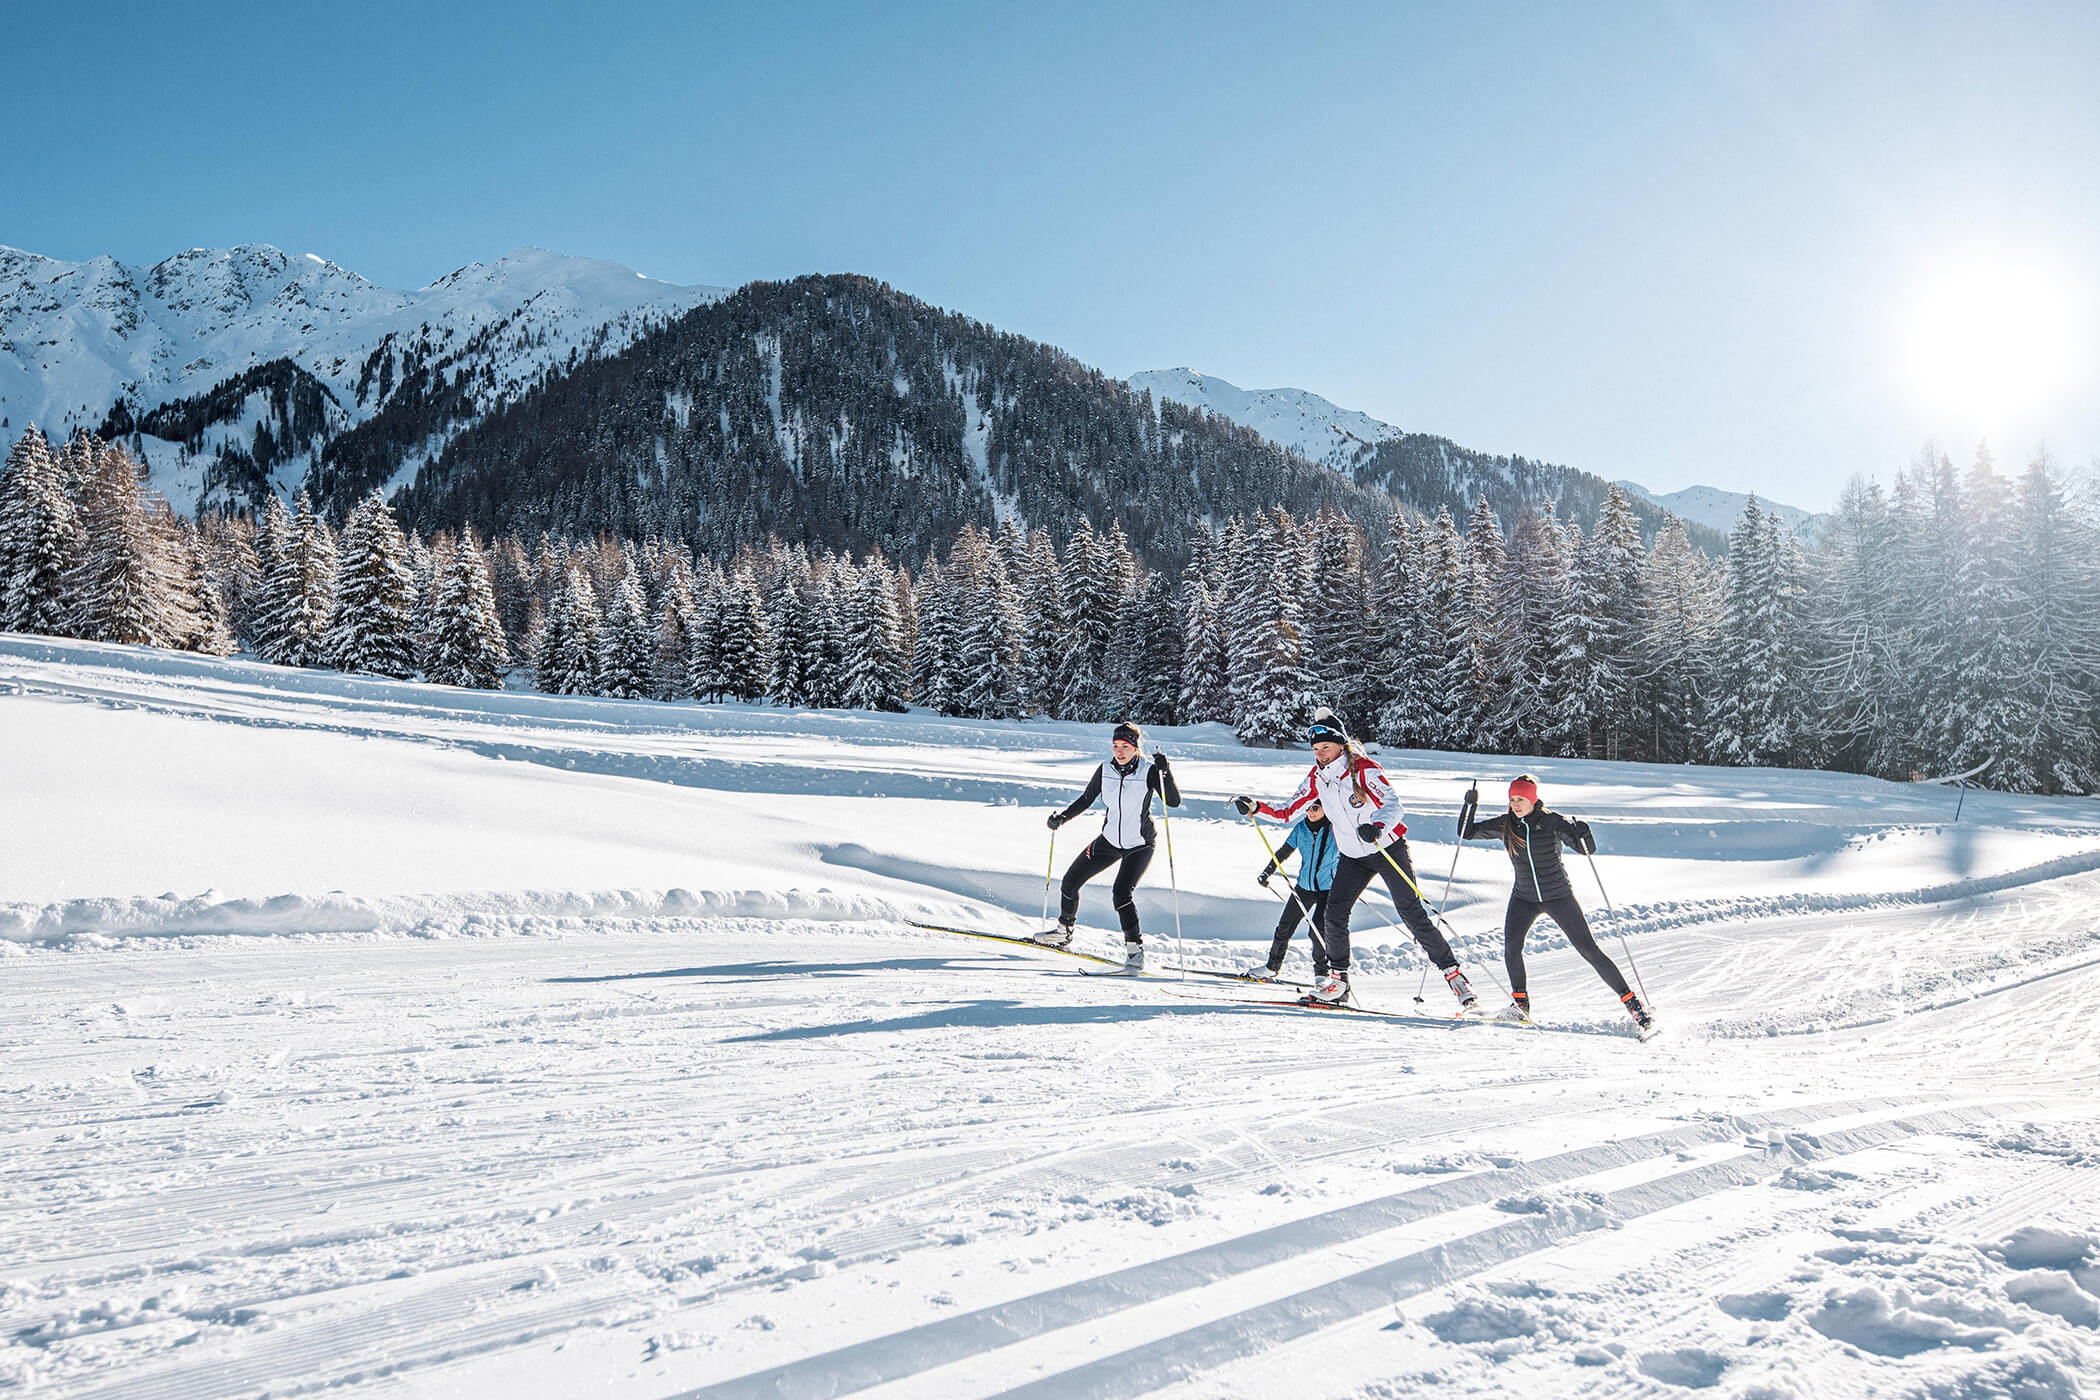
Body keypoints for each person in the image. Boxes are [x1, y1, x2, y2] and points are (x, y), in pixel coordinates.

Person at [1233, 707, 1480, 1009]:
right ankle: (1338, 982)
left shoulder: (1363, 768)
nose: (1320, 754)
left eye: (1325, 747)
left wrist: (1376, 826)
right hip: (1352, 855)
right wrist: (1256, 807)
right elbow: (1287, 809)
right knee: (1333, 914)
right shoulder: (1317, 777)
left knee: (1410, 912)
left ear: (1340, 745)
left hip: (1385, 847)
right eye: (1315, 749)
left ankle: (1453, 974)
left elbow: (1394, 805)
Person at [1461, 774, 1652, 1031]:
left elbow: (1585, 849)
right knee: (1511, 947)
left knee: (1589, 950)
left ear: (1533, 798)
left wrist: (1585, 833)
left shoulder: (1552, 822)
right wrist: (1469, 805)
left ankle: (1635, 1008)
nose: (1515, 805)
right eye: (1512, 800)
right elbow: (1466, 832)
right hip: (1524, 897)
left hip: (1558, 896)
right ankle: (1520, 1007)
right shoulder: (1507, 824)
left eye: (1521, 799)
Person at [1041, 722, 1182, 968]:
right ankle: (1063, 932)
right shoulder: (1105, 769)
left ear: (1136, 748)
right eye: (1115, 746)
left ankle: (1134, 951)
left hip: (1139, 843)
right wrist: (1062, 818)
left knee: (1121, 893)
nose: (1119, 751)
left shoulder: (1148, 771)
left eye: (1125, 746)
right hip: (1109, 840)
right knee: (1070, 881)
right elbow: (1086, 799)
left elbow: (1174, 802)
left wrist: (1165, 772)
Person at [1245, 797, 1338, 982]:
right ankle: (1272, 967)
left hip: (1327, 889)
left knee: (1317, 931)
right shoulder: (1301, 828)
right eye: (1308, 808)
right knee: (1284, 927)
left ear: (1325, 808)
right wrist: (1267, 872)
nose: (1311, 812)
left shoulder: (1336, 830)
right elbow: (1284, 851)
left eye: (1315, 807)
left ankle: (1321, 975)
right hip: (1304, 887)